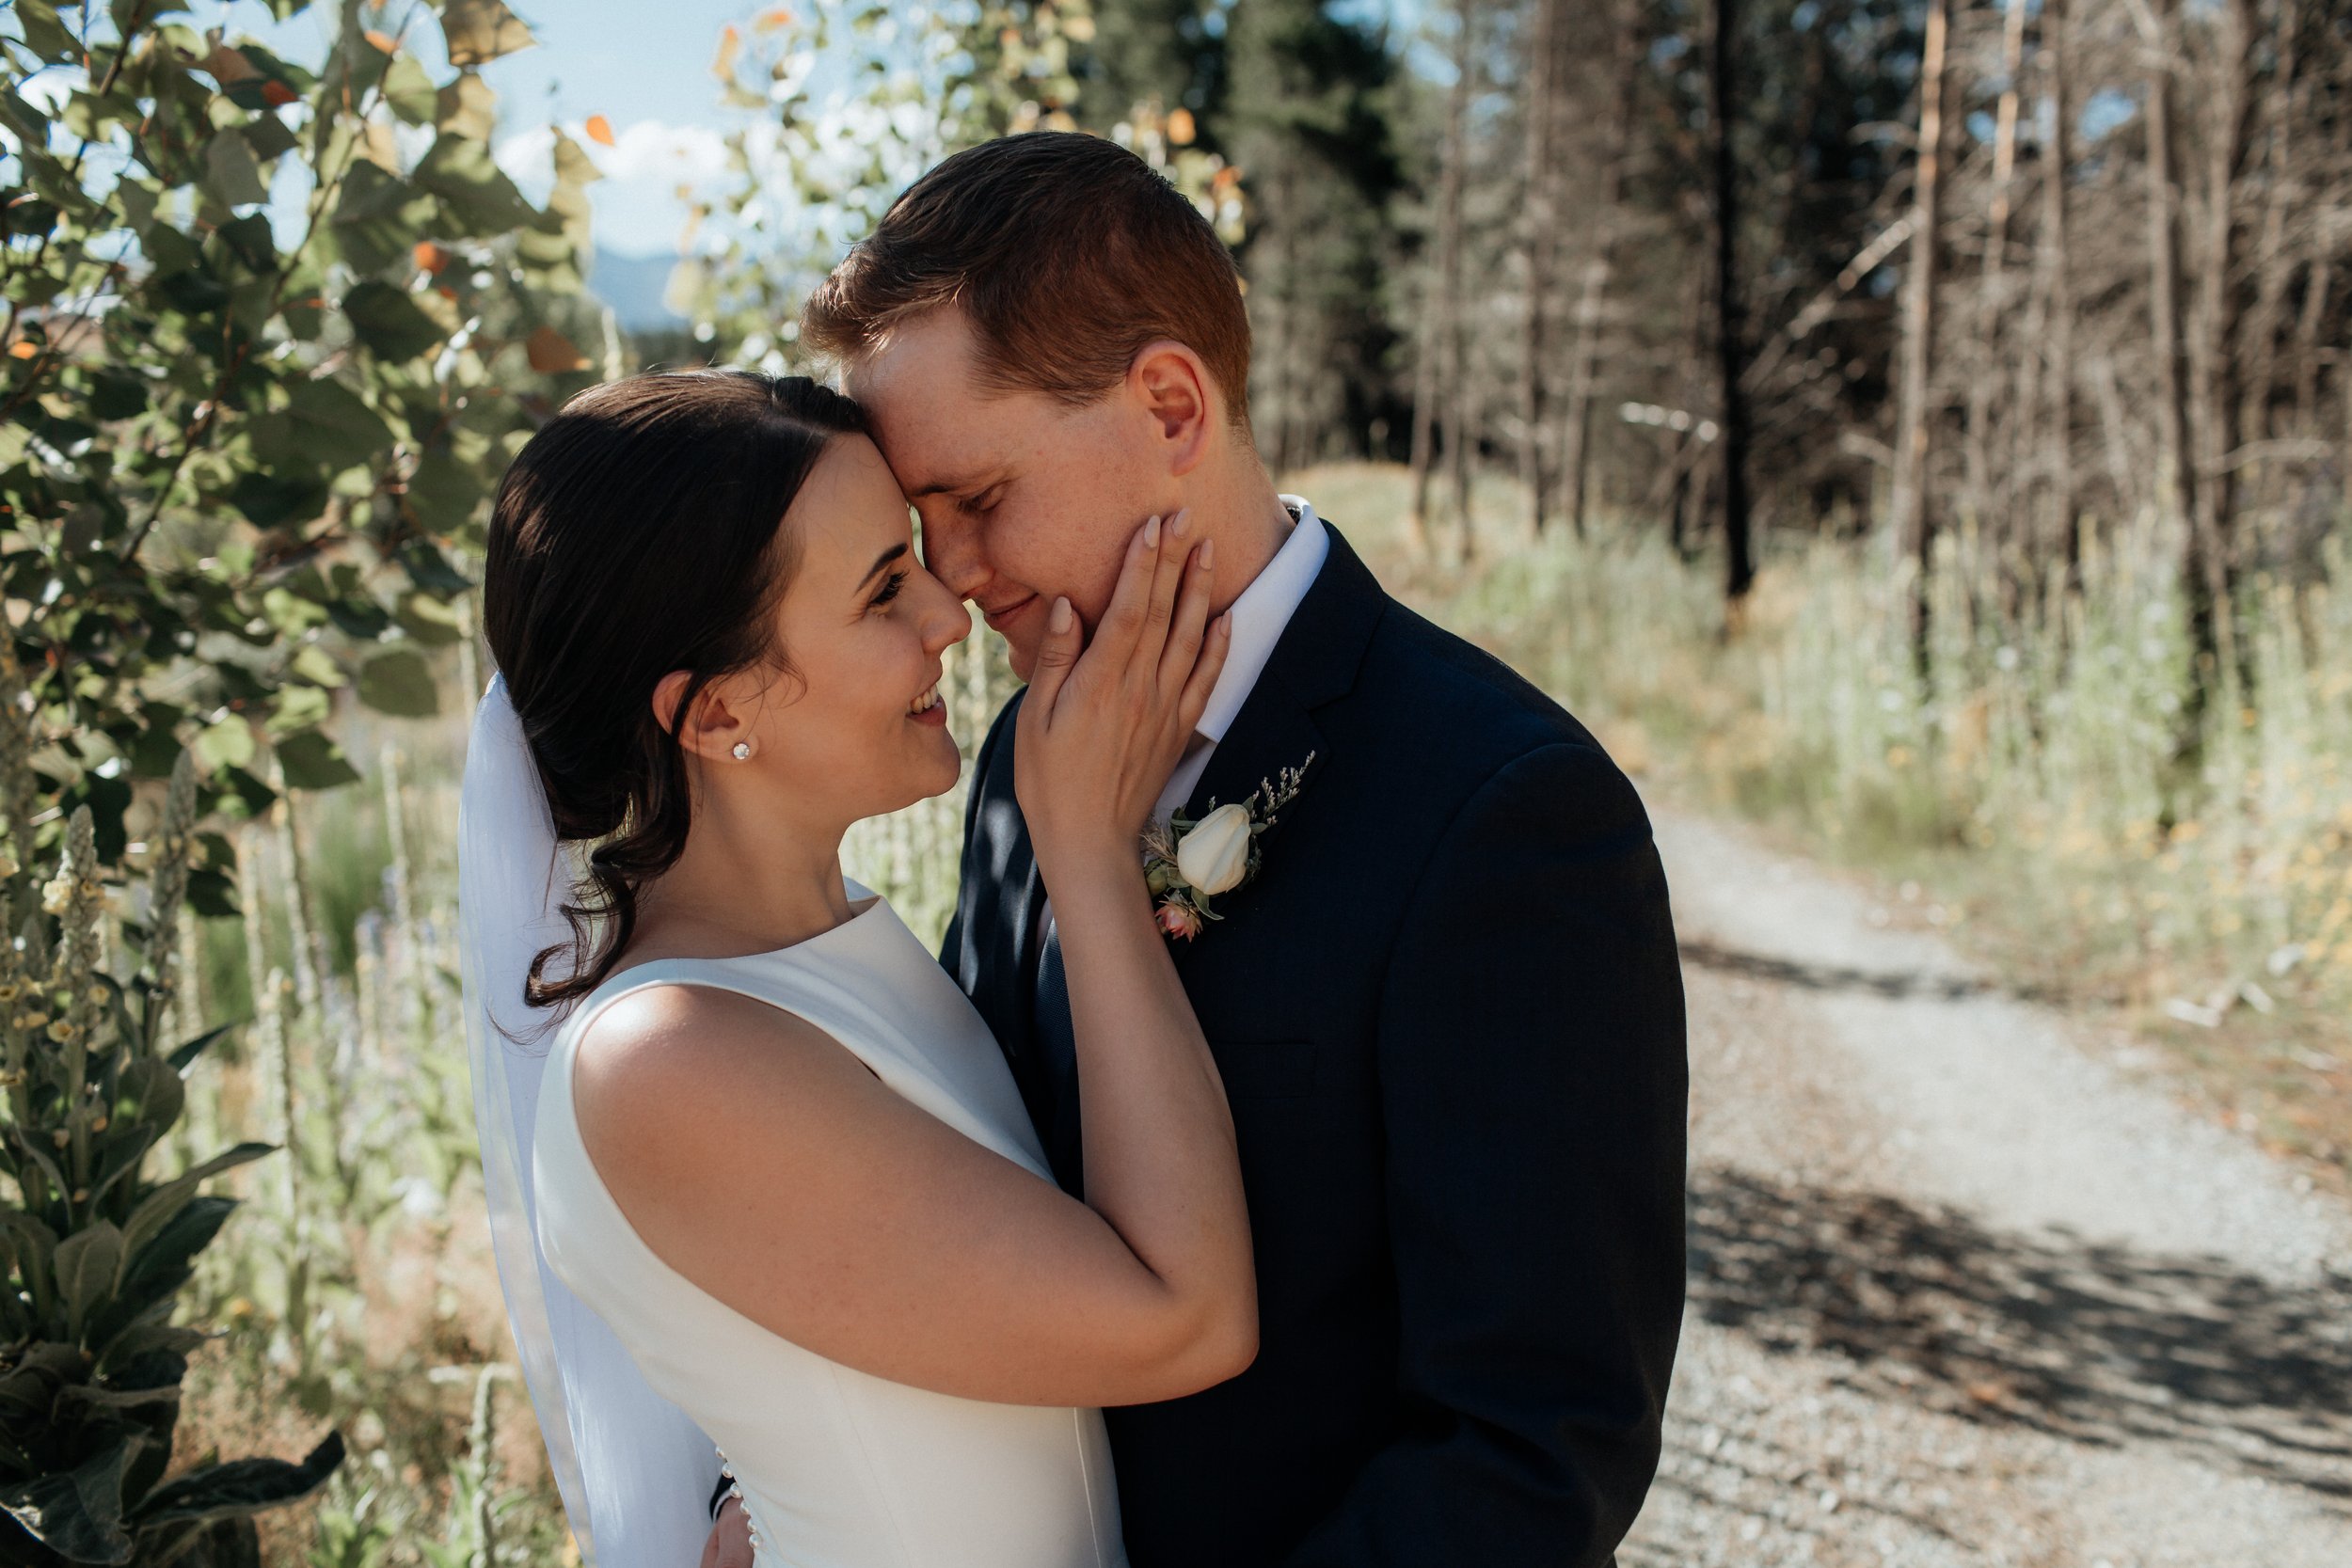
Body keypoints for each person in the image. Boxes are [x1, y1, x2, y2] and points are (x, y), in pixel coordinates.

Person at [701, 132, 1692, 1567]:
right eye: (925, 526)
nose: (956, 579)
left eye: (977, 500)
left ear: (1171, 403)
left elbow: (1537, 1451)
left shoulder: (1506, 810)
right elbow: (983, 1211)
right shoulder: (1017, 769)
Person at [459, 369, 1254, 1568]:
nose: (951, 614)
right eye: (886, 587)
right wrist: (1087, 860)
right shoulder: (669, 1054)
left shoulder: (835, 942)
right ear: (718, 707)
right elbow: (1181, 1322)